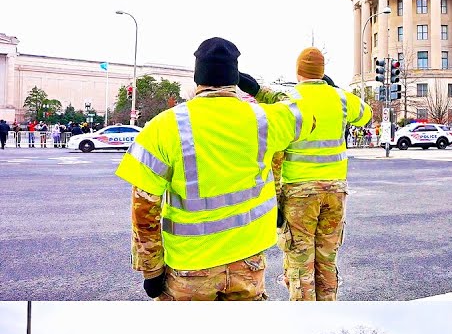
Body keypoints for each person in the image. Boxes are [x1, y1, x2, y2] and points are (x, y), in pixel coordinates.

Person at [115, 37, 317, 300]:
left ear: (198, 78)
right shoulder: (266, 120)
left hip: (190, 267)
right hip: (248, 261)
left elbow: (144, 209)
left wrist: (151, 270)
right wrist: (258, 89)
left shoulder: (163, 127)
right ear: (235, 77)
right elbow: (308, 113)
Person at [248, 48, 371, 301]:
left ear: (298, 71)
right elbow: (366, 116)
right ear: (323, 72)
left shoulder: (290, 98)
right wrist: (335, 90)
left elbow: (258, 92)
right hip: (335, 192)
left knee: (300, 262)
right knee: (327, 258)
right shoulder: (341, 99)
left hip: (299, 193)